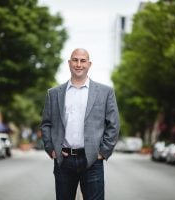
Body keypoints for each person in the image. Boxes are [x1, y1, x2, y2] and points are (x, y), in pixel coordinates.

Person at [41, 48, 120, 200]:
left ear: (89, 64)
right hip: (63, 160)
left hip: (92, 161)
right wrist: (51, 148)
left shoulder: (105, 92)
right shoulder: (54, 93)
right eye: (75, 60)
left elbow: (114, 124)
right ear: (69, 63)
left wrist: (103, 152)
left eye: (83, 61)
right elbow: (46, 123)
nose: (78, 64)